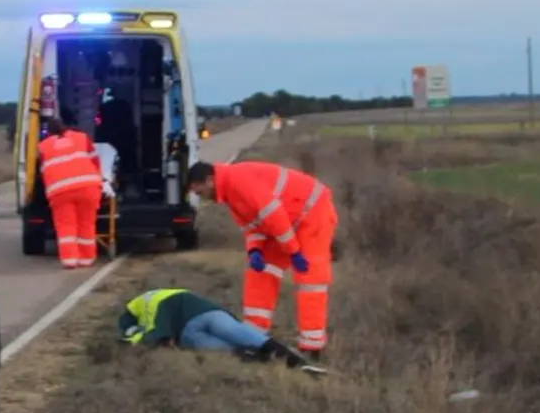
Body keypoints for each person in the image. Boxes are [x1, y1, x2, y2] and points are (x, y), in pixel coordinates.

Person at [187, 159, 339, 359]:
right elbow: (253, 225)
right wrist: (254, 251)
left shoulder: (238, 181)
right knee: (259, 272)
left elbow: (274, 215)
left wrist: (293, 251)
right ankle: (254, 336)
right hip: (287, 220)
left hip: (312, 213)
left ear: (209, 180)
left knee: (309, 280)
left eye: (200, 192)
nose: (203, 198)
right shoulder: (229, 193)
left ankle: (312, 347)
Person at [118, 287, 324, 372]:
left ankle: (271, 362)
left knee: (233, 350)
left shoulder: (147, 307)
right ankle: (296, 361)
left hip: (189, 334)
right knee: (249, 337)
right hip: (211, 314)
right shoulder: (159, 295)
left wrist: (138, 340)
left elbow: (156, 334)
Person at [37, 115, 104, 269]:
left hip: (60, 191)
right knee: (86, 223)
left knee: (66, 226)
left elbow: (43, 170)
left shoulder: (43, 146)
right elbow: (95, 161)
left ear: (48, 132)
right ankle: (86, 259)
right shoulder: (82, 138)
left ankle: (69, 260)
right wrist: (99, 180)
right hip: (88, 187)